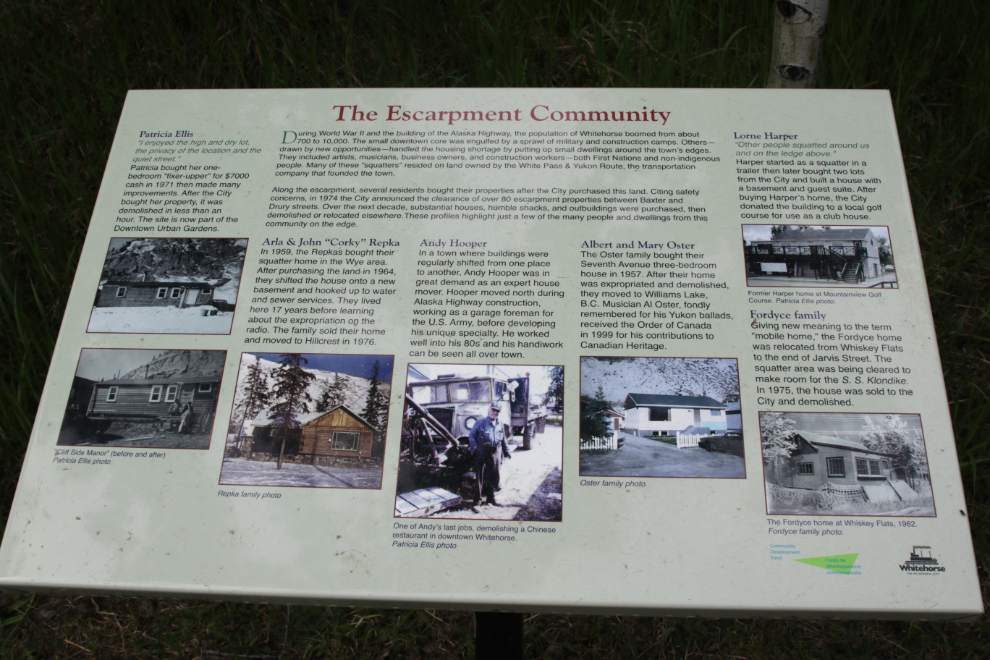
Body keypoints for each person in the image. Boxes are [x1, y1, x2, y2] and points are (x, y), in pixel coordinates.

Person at [468, 402, 512, 507]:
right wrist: (475, 448)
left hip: (496, 451)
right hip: (482, 450)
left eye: (497, 411)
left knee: (494, 475)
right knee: (480, 476)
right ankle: (477, 501)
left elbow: (503, 439)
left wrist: (506, 451)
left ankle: (490, 498)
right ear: (489, 410)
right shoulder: (481, 421)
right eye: (493, 410)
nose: (495, 412)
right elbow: (472, 435)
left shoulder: (500, 423)